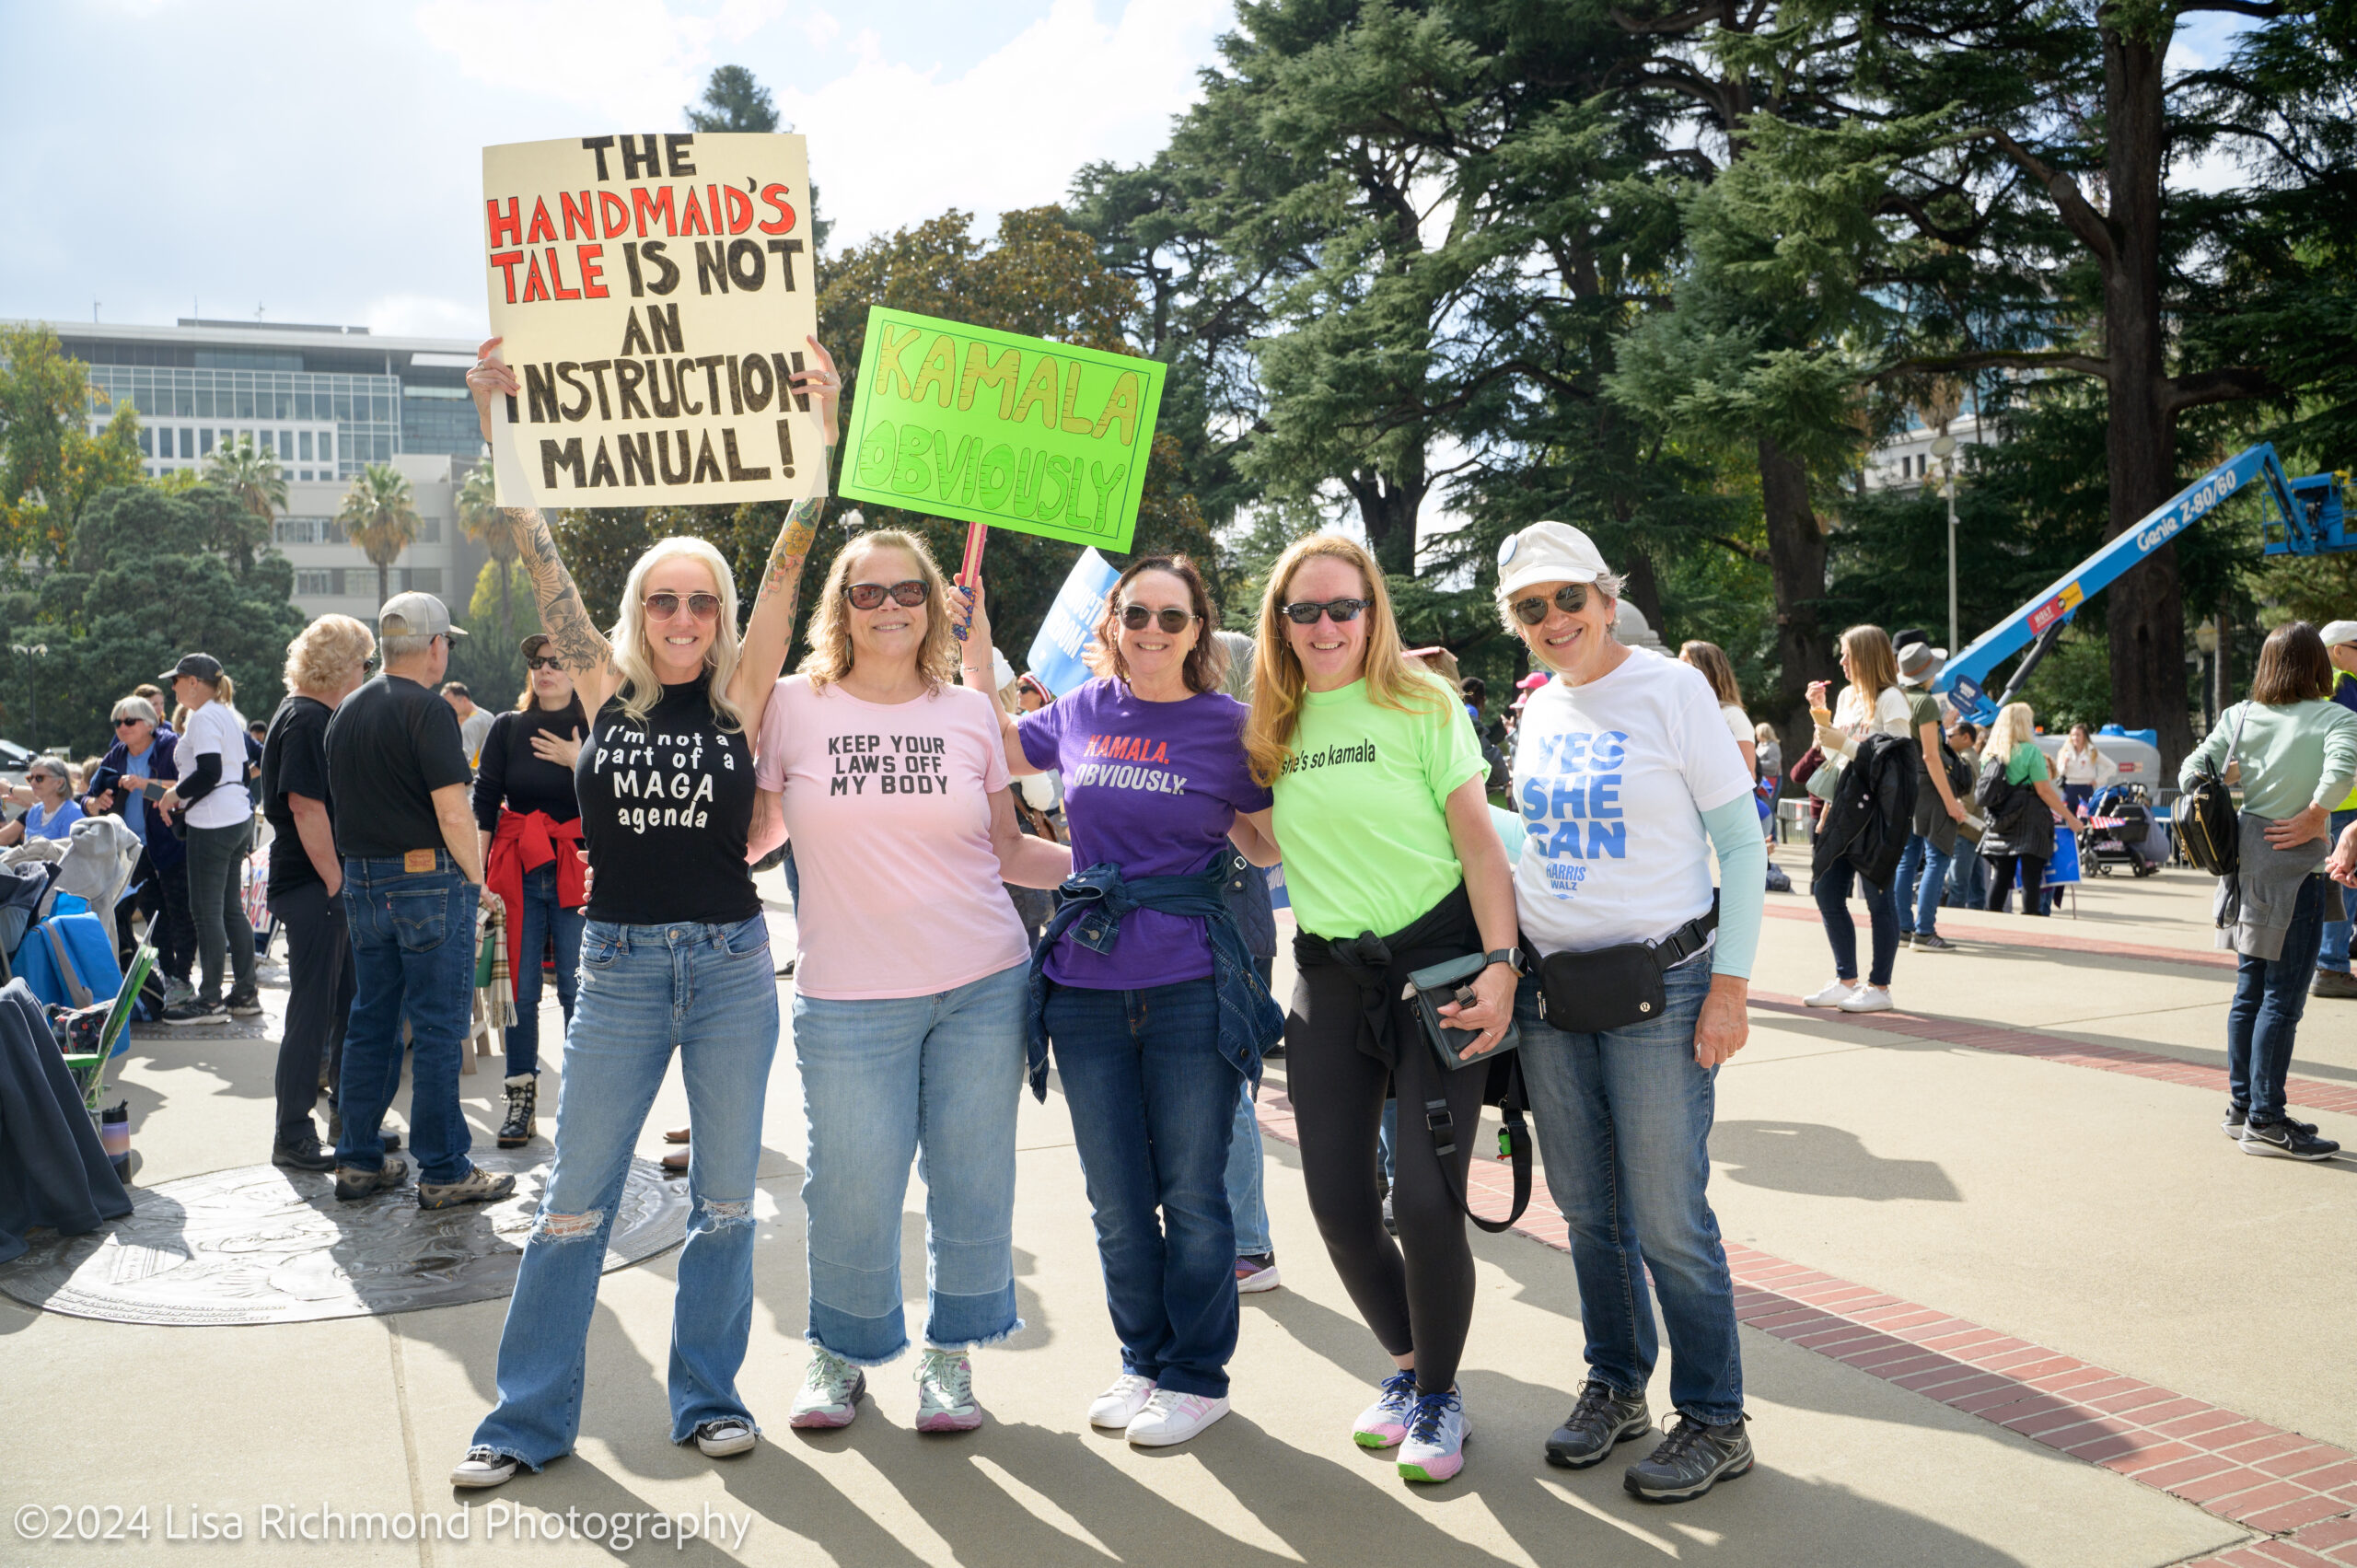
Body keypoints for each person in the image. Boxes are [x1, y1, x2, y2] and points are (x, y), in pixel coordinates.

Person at [447, 333, 837, 1487]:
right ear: (636, 610)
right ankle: (524, 1421)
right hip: (614, 966)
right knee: (575, 1197)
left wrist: (820, 432)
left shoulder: (742, 692)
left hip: (727, 962)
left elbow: (784, 570)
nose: (682, 613)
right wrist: (496, 424)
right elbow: (537, 545)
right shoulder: (603, 689)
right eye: (663, 599)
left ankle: (709, 1398)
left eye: (698, 599)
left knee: (724, 1200)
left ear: (717, 615)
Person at [749, 528, 1066, 1441]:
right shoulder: (789, 706)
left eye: (907, 591)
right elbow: (757, 833)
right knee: (850, 1183)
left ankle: (950, 1358)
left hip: (981, 982)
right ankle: (838, 1353)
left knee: (970, 1179)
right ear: (838, 608)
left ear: (934, 603)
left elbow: (1007, 847)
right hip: (848, 997)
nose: (889, 604)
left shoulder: (969, 713)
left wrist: (1109, 868)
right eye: (867, 590)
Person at [964, 558, 1277, 1448]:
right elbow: (989, 738)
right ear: (1112, 622)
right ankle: (1143, 1358)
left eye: (1171, 619)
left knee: (1194, 1188)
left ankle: (1196, 1375)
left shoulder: (1230, 726)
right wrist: (976, 638)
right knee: (1115, 1196)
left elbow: (1265, 845)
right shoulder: (1082, 712)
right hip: (1087, 988)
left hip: (1188, 985)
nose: (1152, 631)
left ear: (1197, 631)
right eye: (1136, 613)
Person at [1236, 533, 1518, 1486]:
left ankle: (1441, 1394)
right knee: (1339, 1202)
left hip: (1440, 966)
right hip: (1330, 973)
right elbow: (1269, 847)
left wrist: (1503, 965)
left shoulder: (1422, 701)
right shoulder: (1271, 718)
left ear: (1371, 610)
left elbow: (1480, 845)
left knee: (1428, 1203)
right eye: (1303, 610)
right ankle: (1406, 1368)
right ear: (1281, 621)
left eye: (1341, 608)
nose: (1324, 626)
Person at [1496, 522, 1763, 1502]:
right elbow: (1535, 841)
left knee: (1666, 1216)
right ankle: (1618, 1383)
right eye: (1532, 607)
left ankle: (1715, 1414)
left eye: (1569, 597)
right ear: (1516, 623)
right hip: (1552, 992)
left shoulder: (1671, 688)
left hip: (1666, 989)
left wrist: (1730, 986)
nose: (1556, 619)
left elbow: (1739, 843)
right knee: (1587, 1213)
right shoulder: (1540, 710)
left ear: (1607, 598)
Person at [322, 593, 508, 1213]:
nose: (446, 651)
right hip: (427, 879)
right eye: (446, 642)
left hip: (365, 882)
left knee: (371, 1020)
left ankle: (356, 1157)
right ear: (434, 646)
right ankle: (445, 1167)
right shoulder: (428, 710)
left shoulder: (346, 709)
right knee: (436, 1025)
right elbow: (454, 810)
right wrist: (477, 879)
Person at [2180, 622, 2357, 1159]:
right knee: (2283, 997)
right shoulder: (2336, 716)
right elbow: (2344, 769)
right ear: (2319, 667)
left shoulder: (2240, 716)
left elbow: (2192, 771)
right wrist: (2315, 815)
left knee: (2250, 991)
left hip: (2245, 862)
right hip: (2295, 863)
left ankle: (2242, 1108)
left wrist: (2231, 774)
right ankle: (2267, 1119)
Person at [261, 615, 376, 1172]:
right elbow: (305, 807)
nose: (367, 673)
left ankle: (348, 1122)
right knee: (314, 1011)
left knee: (346, 1007)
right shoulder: (307, 718)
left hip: (317, 882)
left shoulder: (305, 713)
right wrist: (338, 884)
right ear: (343, 664)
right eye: (364, 662)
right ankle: (292, 1132)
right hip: (314, 883)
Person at [473, 634, 588, 1151]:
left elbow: (621, 794)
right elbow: (484, 802)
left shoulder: (599, 727)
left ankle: (585, 1103)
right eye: (538, 663)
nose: (545, 670)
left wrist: (580, 758)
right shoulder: (508, 727)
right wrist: (476, 878)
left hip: (578, 870)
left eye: (557, 662)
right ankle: (520, 1100)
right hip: (518, 870)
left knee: (577, 990)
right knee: (518, 993)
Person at [1213, 625, 1283, 1293]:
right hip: (1234, 931)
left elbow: (1267, 845)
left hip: (1232, 932)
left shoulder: (1242, 746)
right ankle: (1238, 1237)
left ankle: (1251, 1244)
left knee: (1227, 1090)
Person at [1800, 626, 1912, 1013]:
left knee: (1879, 897)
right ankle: (1846, 978)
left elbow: (1897, 763)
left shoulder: (1892, 699)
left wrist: (1843, 743)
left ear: (1866, 656)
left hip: (1878, 815)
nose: (1842, 662)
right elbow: (1833, 750)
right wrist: (1819, 712)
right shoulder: (1848, 696)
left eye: (1848, 654)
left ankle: (1879, 986)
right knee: (1827, 890)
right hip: (1845, 807)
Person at [153, 654, 260, 1026]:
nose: (173, 686)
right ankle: (244, 992)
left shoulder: (202, 717)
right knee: (230, 909)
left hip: (214, 823)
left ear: (194, 682)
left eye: (177, 680)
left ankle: (210, 999)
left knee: (206, 911)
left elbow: (209, 772)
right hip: (236, 817)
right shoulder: (226, 713)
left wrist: (173, 796)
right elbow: (243, 774)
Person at [86, 696, 195, 999]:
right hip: (134, 848)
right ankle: (168, 974)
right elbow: (87, 797)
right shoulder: (116, 755)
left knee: (181, 910)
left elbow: (188, 788)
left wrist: (144, 784)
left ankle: (182, 978)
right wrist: (96, 803)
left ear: (150, 723)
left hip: (173, 843)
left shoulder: (170, 746)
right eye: (117, 722)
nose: (122, 728)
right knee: (152, 911)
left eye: (129, 721)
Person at [1890, 641, 1968, 952]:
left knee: (1907, 858)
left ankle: (1904, 928)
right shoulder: (1926, 703)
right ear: (1927, 672)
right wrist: (1951, 801)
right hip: (1928, 787)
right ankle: (1925, 931)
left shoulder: (1897, 698)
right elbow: (1931, 757)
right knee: (1938, 856)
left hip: (1903, 785)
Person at [1974, 703, 2071, 915]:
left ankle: (1992, 920)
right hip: (2030, 821)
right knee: (2031, 877)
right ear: (2022, 724)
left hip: (2000, 821)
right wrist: (2070, 818)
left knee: (2001, 875)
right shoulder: (2031, 752)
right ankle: (2030, 920)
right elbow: (2044, 791)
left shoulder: (1990, 754)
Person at [2309, 620, 2357, 1000]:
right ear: (2339, 651)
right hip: (2348, 803)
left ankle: (2331, 958)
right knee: (2344, 884)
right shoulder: (2344, 684)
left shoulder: (2315, 688)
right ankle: (2332, 966)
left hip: (2326, 800)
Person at [0, 758, 84, 845]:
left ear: (59, 782)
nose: (33, 783)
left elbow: (70, 855)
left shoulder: (74, 813)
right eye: (30, 778)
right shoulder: (34, 811)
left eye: (39, 778)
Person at [444, 681, 495, 767]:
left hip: (476, 776)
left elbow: (463, 760)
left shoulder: (469, 725)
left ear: (464, 700)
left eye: (452, 704)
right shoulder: (489, 716)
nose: (449, 709)